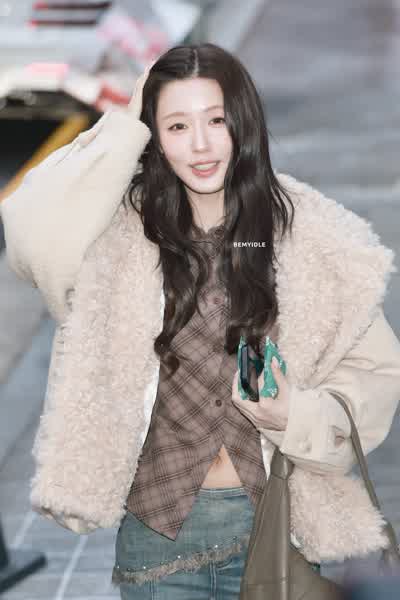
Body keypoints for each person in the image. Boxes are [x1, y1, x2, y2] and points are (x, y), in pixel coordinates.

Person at [1, 43, 400, 600]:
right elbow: (26, 230)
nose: (201, 144)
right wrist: (122, 126)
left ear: (243, 122)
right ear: (154, 136)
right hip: (158, 544)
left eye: (215, 120)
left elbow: (375, 378)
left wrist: (294, 414)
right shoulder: (119, 234)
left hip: (277, 531)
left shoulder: (310, 233)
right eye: (177, 125)